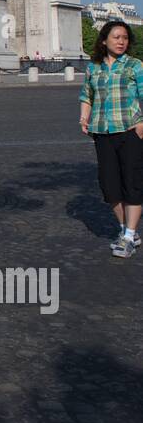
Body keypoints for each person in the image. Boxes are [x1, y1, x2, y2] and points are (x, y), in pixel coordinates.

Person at [79, 19, 143, 258]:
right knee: (110, 186)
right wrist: (83, 118)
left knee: (132, 183)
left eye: (125, 38)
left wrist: (142, 123)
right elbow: (86, 94)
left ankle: (127, 236)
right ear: (104, 40)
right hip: (102, 132)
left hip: (130, 131)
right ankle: (127, 229)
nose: (121, 41)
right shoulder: (93, 68)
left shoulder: (135, 65)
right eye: (116, 37)